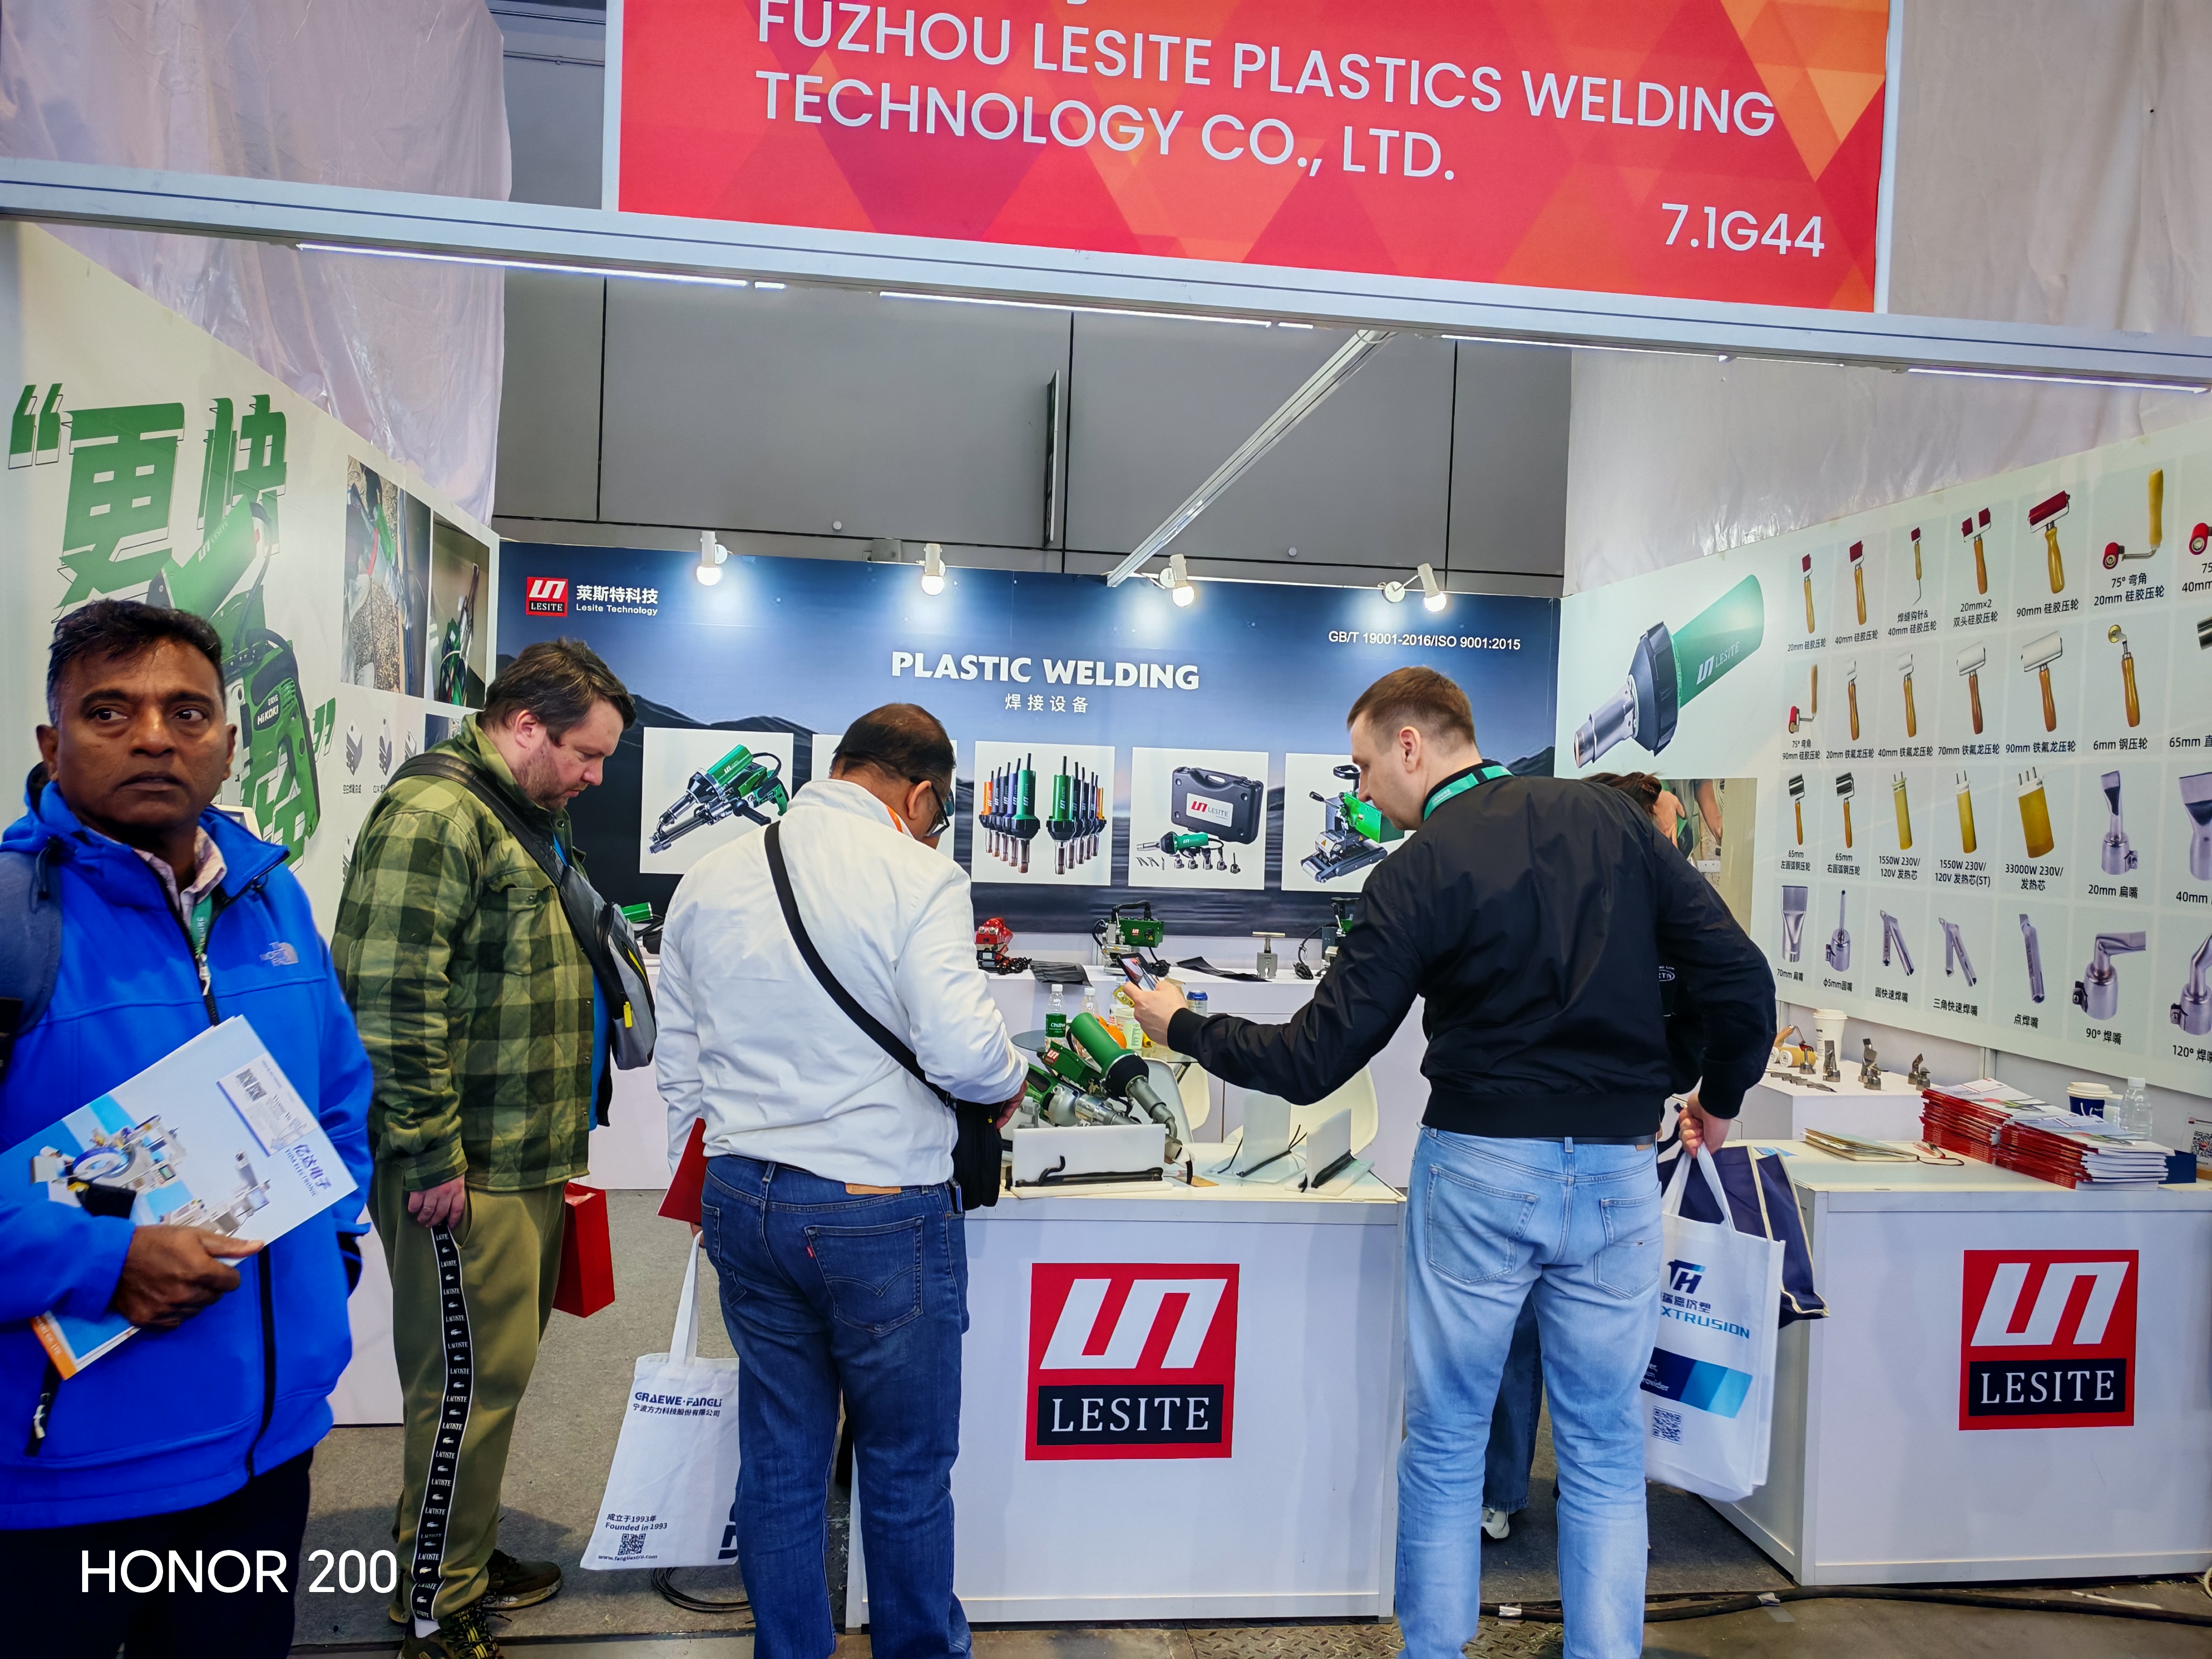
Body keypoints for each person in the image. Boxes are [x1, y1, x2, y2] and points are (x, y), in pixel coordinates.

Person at [1126, 667, 1773, 1659]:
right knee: (1605, 1453)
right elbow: (1741, 981)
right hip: (1615, 1173)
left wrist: (1185, 1026)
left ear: (1412, 745)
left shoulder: (1417, 870)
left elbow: (1314, 1059)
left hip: (1479, 1173)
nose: (1361, 791)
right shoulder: (1611, 824)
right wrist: (1714, 1098)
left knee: (1444, 1444)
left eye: (1362, 767)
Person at [0, 601, 374, 1657]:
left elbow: (337, 1104)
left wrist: (330, 1249)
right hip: (61, 1480)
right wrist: (101, 1261)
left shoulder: (271, 901)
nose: (155, 737)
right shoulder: (14, 923)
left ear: (227, 743)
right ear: (53, 744)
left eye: (187, 712)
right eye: (110, 711)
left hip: (265, 1456)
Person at [656, 703, 1026, 1659]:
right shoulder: (921, 875)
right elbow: (963, 1052)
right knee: (903, 1466)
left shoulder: (710, 874)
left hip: (743, 1195)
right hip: (878, 1208)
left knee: (780, 1461)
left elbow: (679, 1062)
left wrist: (704, 1177)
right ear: (922, 796)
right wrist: (1013, 1072)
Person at [333, 640, 633, 1659]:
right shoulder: (436, 816)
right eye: (587, 753)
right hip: (465, 1165)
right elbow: (387, 1001)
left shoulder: (522, 814)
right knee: (463, 1388)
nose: (596, 776)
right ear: (524, 725)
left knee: (489, 1381)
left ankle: (455, 1548)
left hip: (523, 1151)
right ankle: (437, 1602)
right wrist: (429, 1158)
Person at [1479, 770, 1726, 1544]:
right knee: (1519, 1335)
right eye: (1665, 826)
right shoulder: (1562, 908)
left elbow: (1709, 1005)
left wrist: (1677, 1085)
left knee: (1599, 1360)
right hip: (1545, 1146)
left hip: (1624, 1146)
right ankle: (1503, 1488)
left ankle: (1587, 1500)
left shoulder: (1672, 916)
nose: (1675, 842)